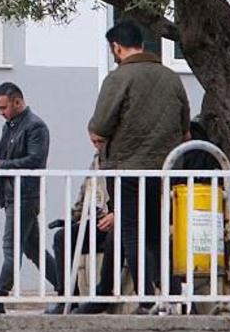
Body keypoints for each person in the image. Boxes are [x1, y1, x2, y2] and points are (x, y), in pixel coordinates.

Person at [86, 20, 190, 314]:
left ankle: (146, 299)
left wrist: (97, 134)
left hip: (127, 168)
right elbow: (185, 127)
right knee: (158, 234)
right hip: (165, 169)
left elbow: (101, 125)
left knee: (131, 232)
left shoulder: (118, 78)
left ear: (116, 47)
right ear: (142, 45)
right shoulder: (171, 77)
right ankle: (172, 295)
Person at [0, 83, 55, 314]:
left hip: (25, 195)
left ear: (17, 102)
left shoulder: (35, 126)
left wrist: (0, 165)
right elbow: (7, 158)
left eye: (4, 107)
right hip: (14, 194)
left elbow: (35, 160)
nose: (1, 113)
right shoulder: (11, 125)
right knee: (33, 249)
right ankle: (70, 289)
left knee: (11, 247)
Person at [44, 143, 111, 315]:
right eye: (94, 142)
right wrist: (73, 218)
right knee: (63, 237)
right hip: (99, 221)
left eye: (100, 141)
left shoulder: (124, 159)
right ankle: (68, 298)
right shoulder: (97, 161)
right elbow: (86, 192)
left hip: (122, 220)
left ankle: (104, 295)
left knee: (115, 239)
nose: (97, 145)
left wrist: (116, 214)